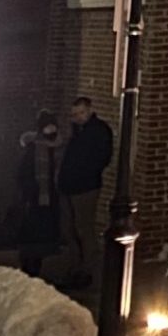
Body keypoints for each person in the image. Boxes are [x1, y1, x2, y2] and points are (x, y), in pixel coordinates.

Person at [54, 97, 113, 289]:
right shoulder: (77, 132)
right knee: (69, 229)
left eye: (80, 113)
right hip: (69, 186)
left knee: (84, 228)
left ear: (89, 111)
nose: (77, 117)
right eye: (74, 114)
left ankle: (87, 270)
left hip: (85, 187)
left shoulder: (98, 131)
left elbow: (102, 158)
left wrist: (84, 173)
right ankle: (75, 267)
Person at [14, 111, 63, 278]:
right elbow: (23, 173)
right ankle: (28, 263)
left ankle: (38, 263)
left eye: (53, 127)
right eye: (48, 127)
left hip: (51, 196)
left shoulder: (58, 148)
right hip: (35, 197)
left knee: (44, 232)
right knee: (32, 231)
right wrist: (29, 192)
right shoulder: (33, 148)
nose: (51, 131)